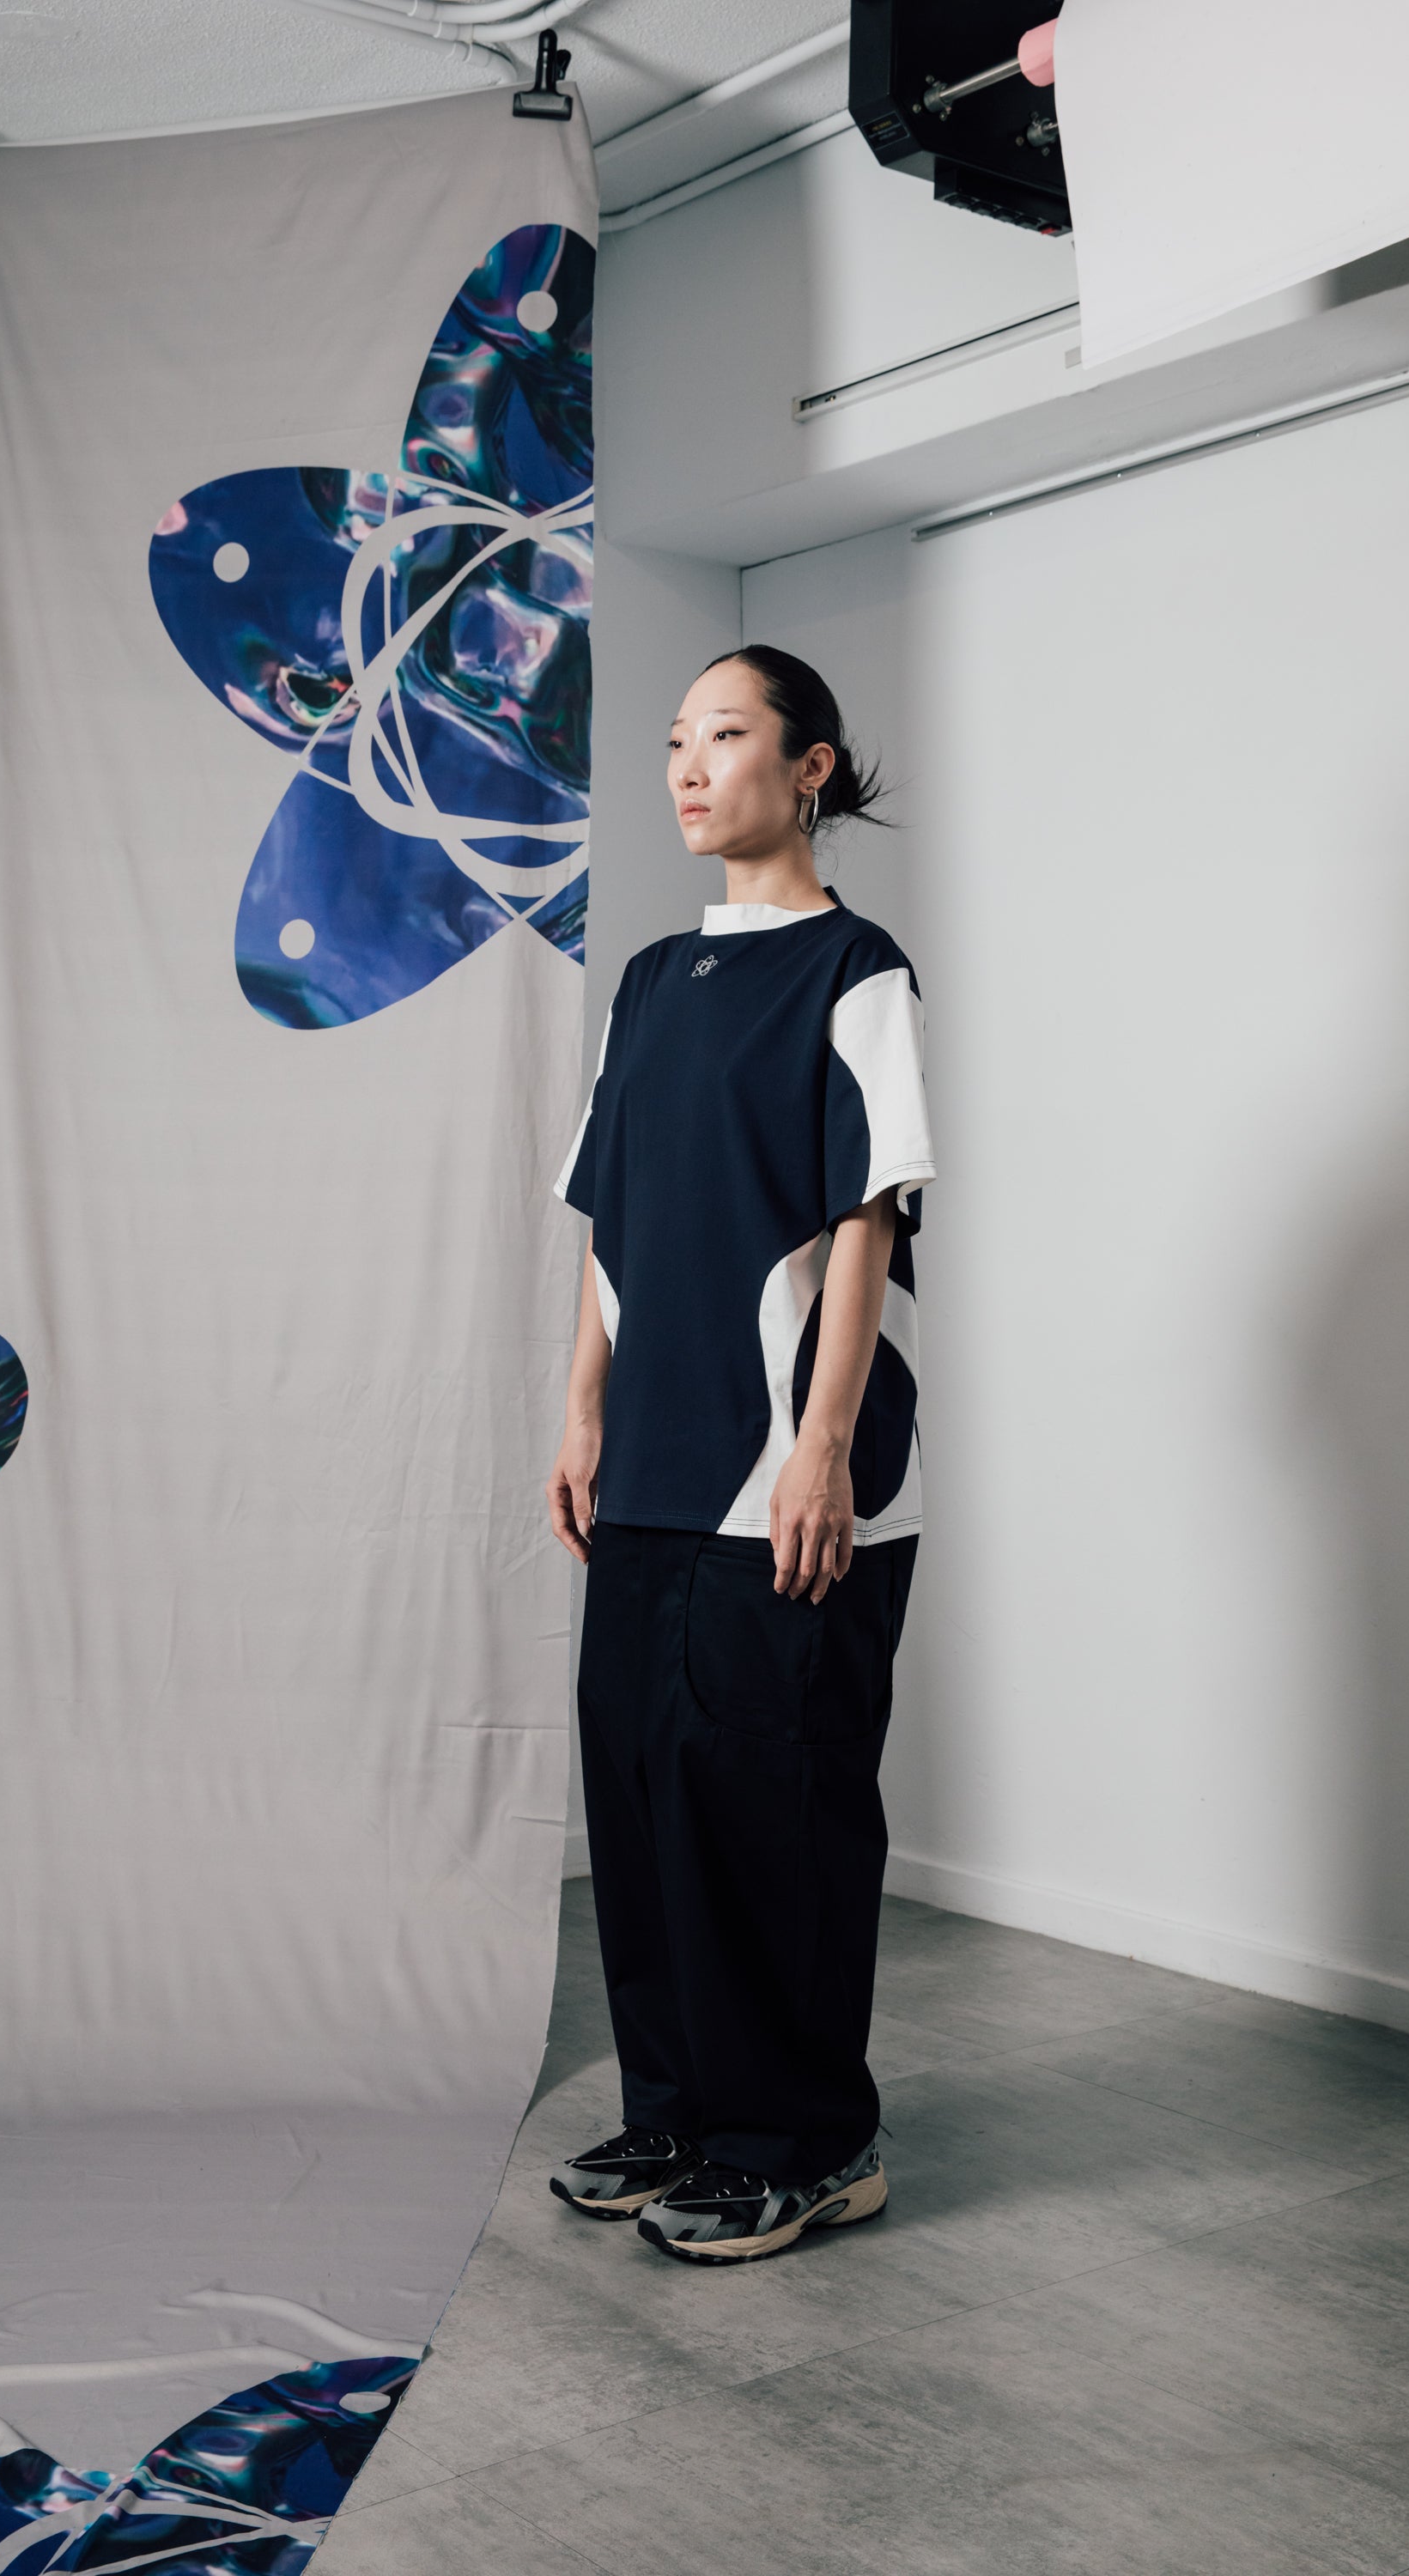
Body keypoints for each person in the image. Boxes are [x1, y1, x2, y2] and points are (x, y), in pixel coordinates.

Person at [544, 643, 934, 2264]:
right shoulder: (649, 981)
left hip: (789, 1468)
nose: (690, 769)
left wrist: (823, 1450)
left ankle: (807, 2145)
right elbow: (611, 1220)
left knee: (778, 1811)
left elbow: (867, 1220)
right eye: (675, 742)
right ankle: (682, 2112)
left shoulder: (857, 970)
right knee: (647, 1799)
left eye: (726, 735)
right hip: (651, 1456)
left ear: (810, 766)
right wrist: (582, 1409)